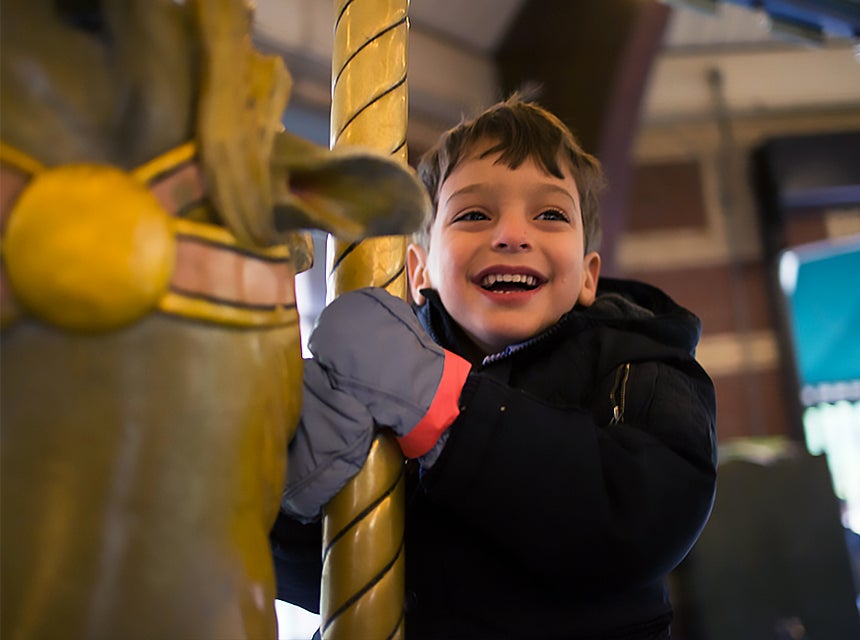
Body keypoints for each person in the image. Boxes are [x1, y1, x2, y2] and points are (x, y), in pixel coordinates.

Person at [270, 95, 718, 640]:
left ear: (587, 276)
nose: (511, 234)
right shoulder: (376, 377)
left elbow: (641, 522)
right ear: (419, 271)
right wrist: (291, 506)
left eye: (550, 214)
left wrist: (445, 408)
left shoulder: (640, 365)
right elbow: (324, 580)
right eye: (474, 214)